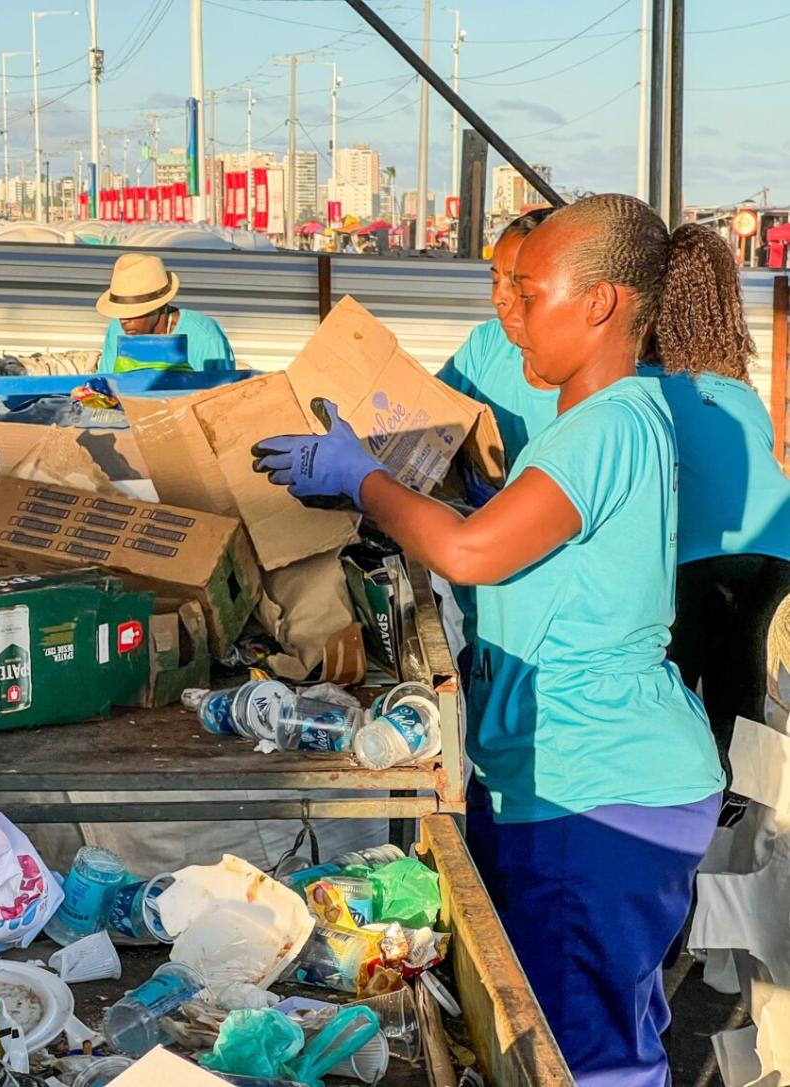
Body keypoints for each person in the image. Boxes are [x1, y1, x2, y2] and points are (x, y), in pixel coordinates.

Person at [252, 193, 725, 1087]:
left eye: (531, 291)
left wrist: (365, 481)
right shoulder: (603, 420)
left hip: (597, 789)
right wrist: (393, 493)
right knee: (583, 1028)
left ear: (599, 303)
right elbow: (500, 533)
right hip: (578, 777)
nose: (511, 317)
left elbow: (468, 554)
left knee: (578, 1056)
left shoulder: (607, 424)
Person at [640, 224, 790, 764]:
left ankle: (675, 818)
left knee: (672, 690)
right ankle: (744, 826)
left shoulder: (640, 389)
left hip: (695, 557)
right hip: (777, 552)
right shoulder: (742, 395)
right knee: (743, 704)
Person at [437, 209, 559, 469]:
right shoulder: (486, 343)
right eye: (494, 280)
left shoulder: (590, 390)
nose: (498, 298)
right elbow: (430, 410)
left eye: (516, 283)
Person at [95, 253, 234, 373]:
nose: (124, 320)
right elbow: (107, 384)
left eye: (133, 312)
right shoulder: (116, 329)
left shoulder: (205, 337)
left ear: (158, 307)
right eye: (120, 312)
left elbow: (222, 396)